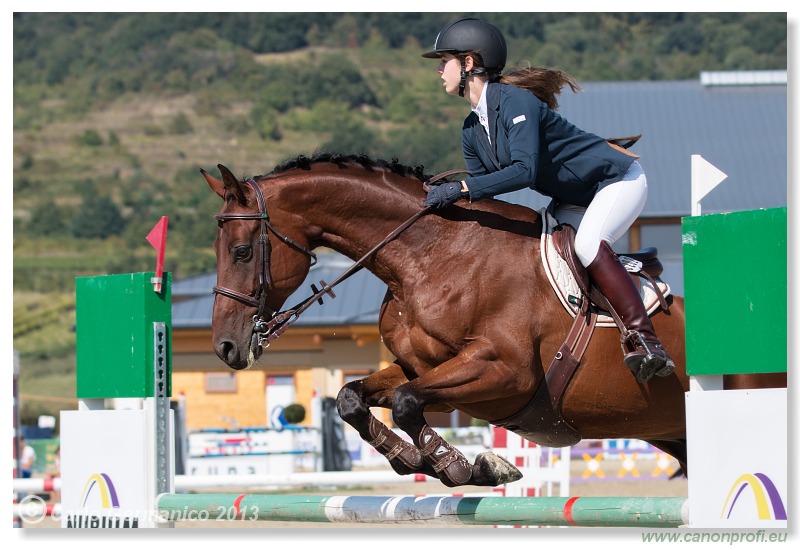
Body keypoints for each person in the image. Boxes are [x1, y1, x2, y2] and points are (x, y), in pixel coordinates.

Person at [421, 18, 674, 384]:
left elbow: (523, 171)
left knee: (587, 245)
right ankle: (619, 272)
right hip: (573, 199)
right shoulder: (471, 129)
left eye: (444, 60)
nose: (439, 69)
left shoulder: (515, 102)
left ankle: (647, 342)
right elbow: (484, 188)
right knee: (544, 251)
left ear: (470, 63)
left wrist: (460, 190)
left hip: (616, 181)